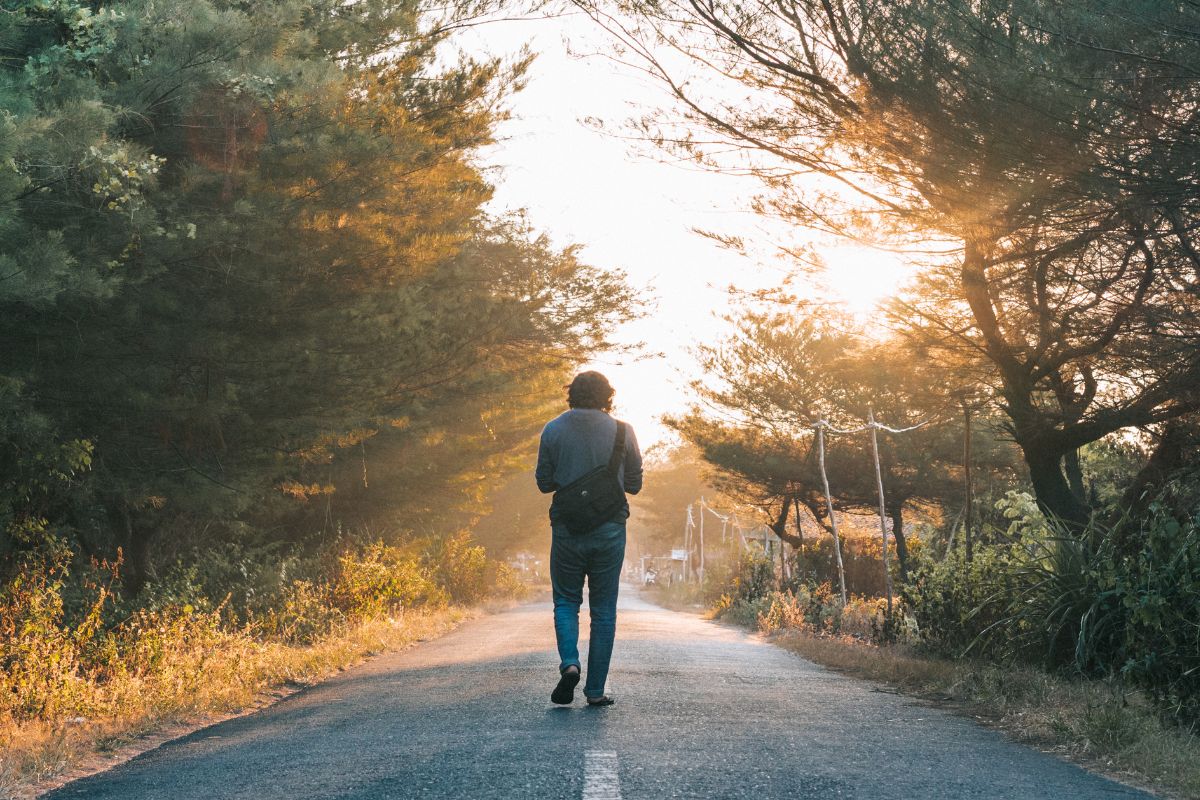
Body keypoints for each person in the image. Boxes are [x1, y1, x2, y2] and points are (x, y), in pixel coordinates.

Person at [535, 371, 642, 706]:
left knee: (566, 601)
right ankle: (595, 691)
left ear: (571, 394)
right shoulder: (623, 431)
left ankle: (570, 662)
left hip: (567, 528)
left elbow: (544, 483)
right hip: (610, 529)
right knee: (604, 610)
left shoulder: (552, 429)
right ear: (608, 396)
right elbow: (634, 485)